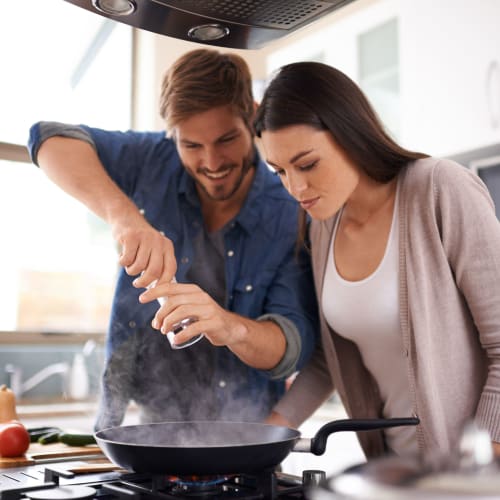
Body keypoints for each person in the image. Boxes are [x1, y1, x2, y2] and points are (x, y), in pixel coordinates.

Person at [27, 49, 318, 430]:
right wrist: (125, 219)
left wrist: (228, 327)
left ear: (253, 115)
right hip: (145, 426)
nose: (211, 163)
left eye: (227, 139)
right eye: (191, 145)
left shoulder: (289, 210)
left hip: (246, 439)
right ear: (172, 135)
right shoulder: (153, 159)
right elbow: (46, 139)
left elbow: (290, 346)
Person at [254, 61, 500, 460]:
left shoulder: (439, 189)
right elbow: (331, 357)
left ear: (350, 133)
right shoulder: (324, 226)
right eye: (279, 171)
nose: (295, 187)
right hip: (394, 474)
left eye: (307, 164)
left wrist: (474, 469)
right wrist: (271, 431)